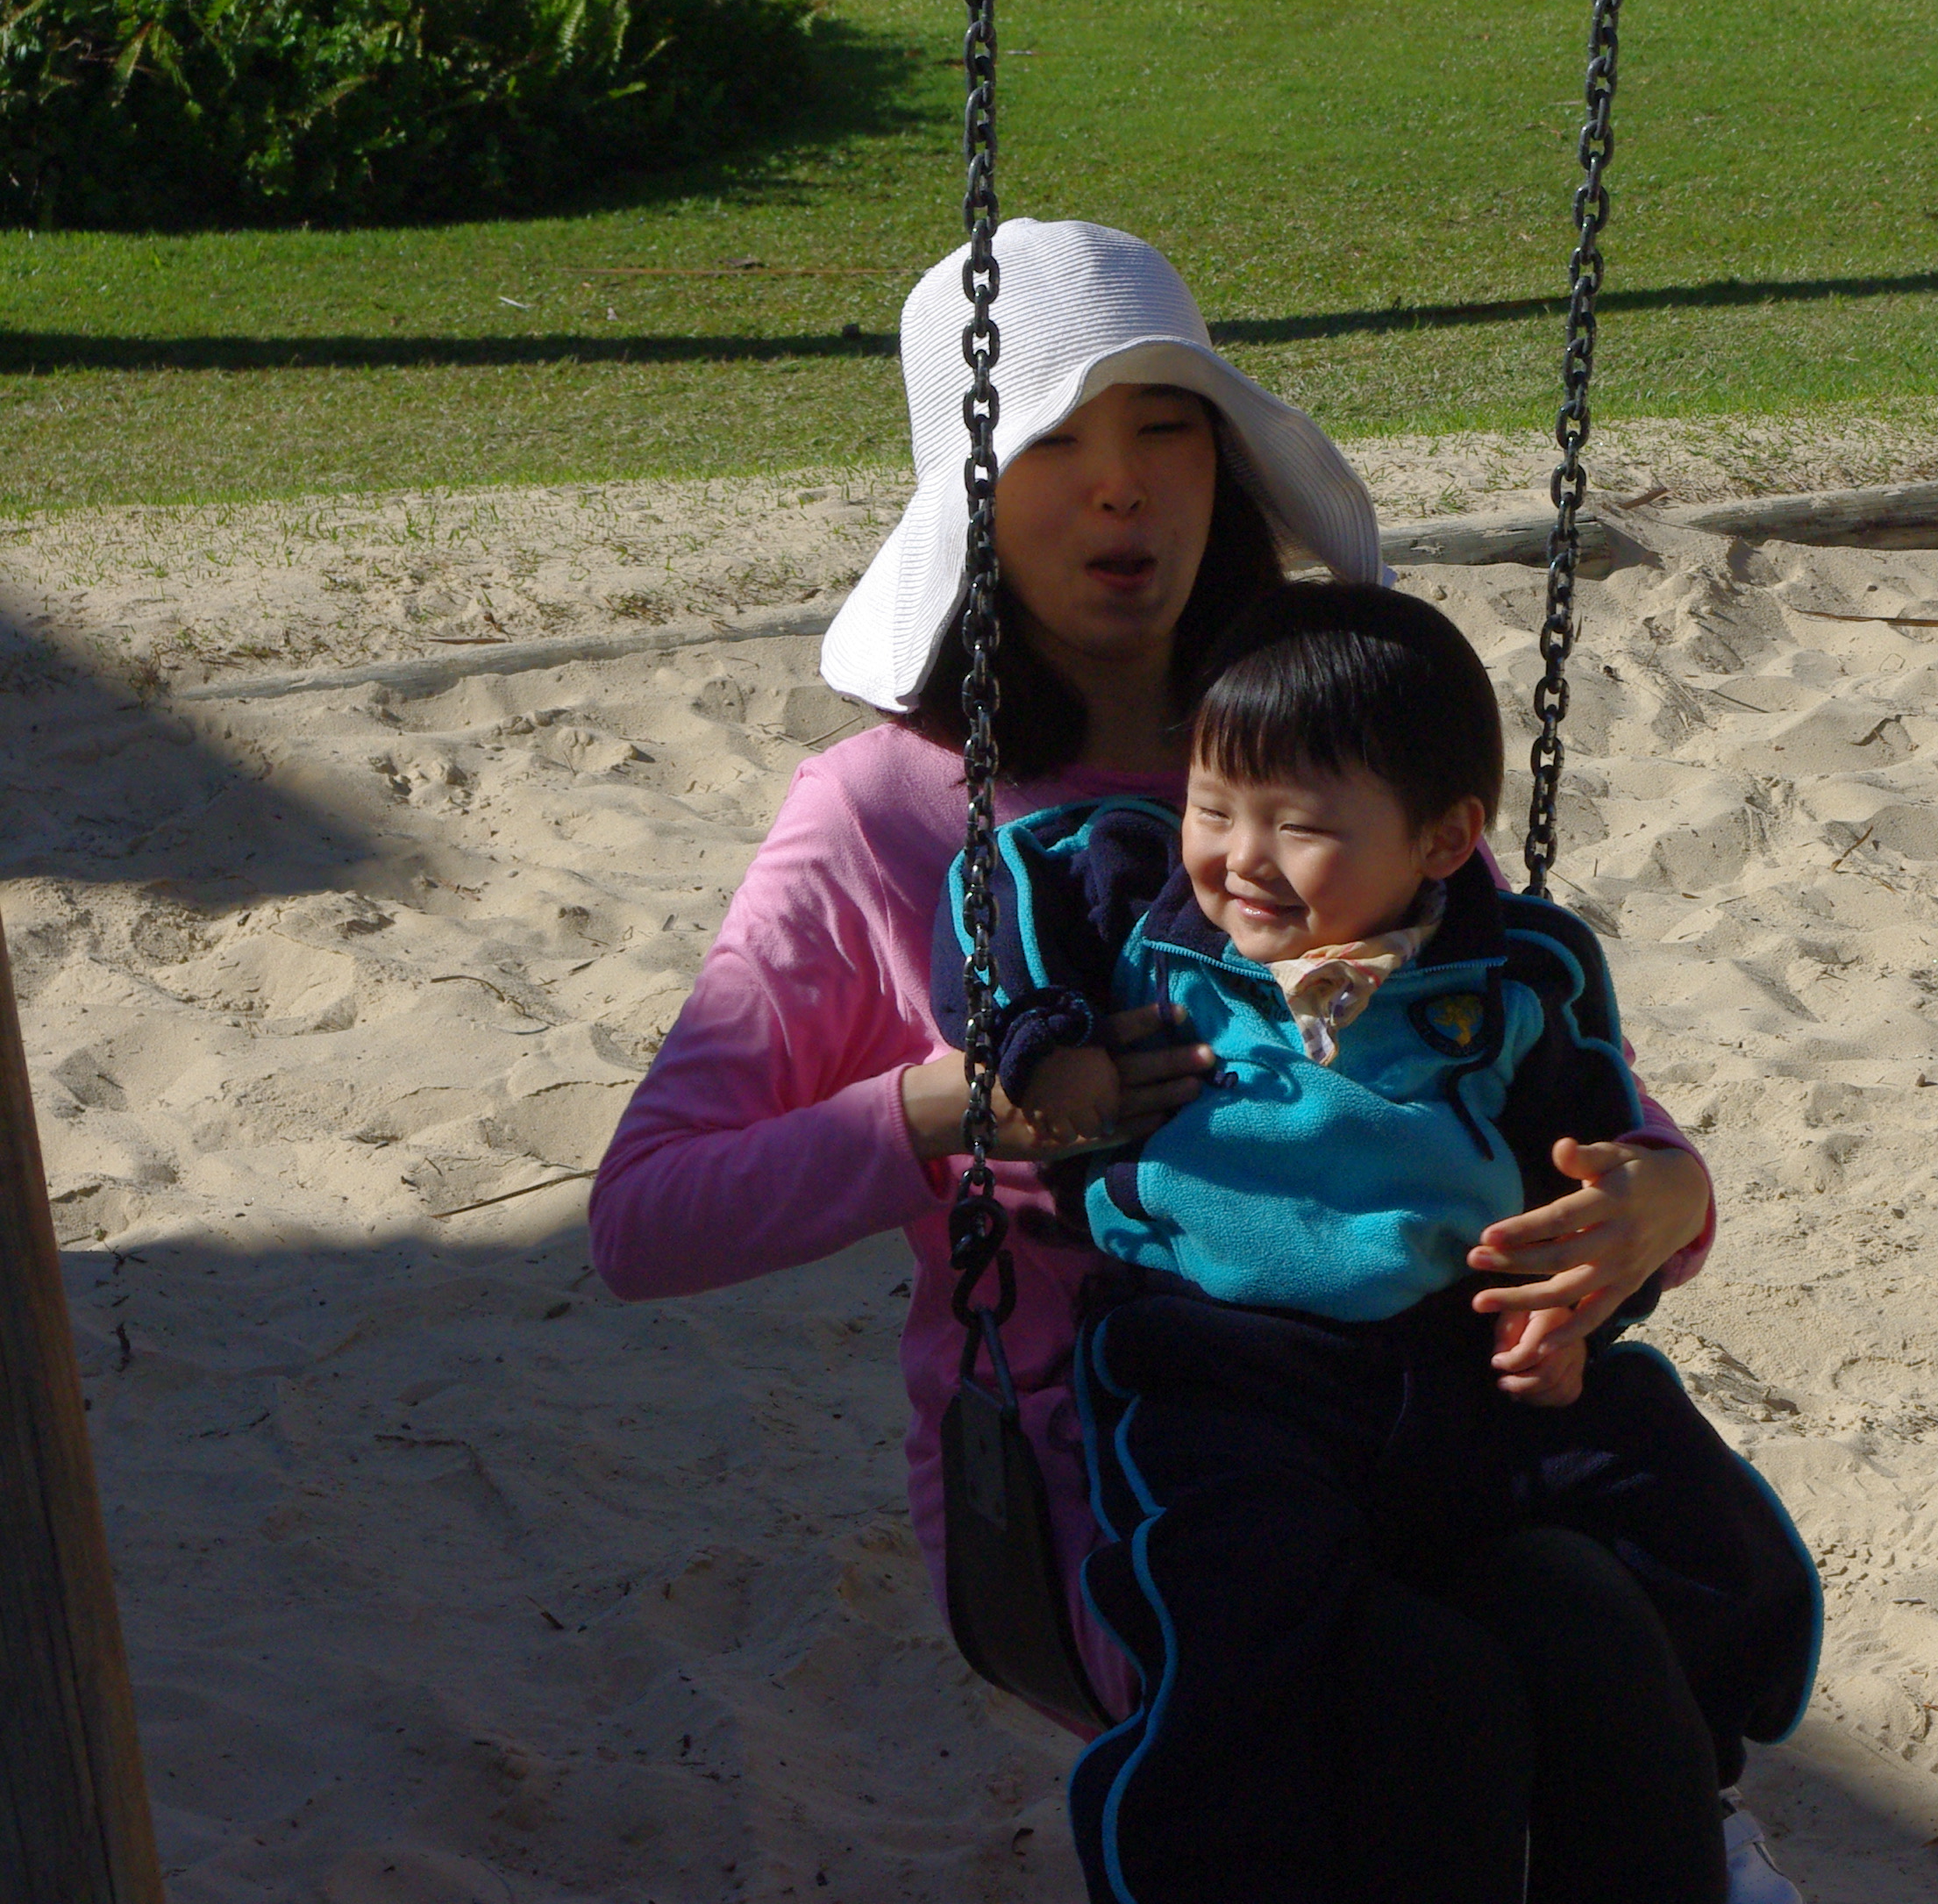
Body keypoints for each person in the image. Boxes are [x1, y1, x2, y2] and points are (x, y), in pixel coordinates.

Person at [588, 219, 1792, 1903]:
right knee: (1424, 1697)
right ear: (968, 493)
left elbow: (1556, 1084)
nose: (1121, 489)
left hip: (1434, 1411)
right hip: (1126, 1466)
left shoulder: (1339, 733)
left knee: (1599, 1630)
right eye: (1054, 445)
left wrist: (1659, 1202)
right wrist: (950, 1111)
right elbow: (644, 1219)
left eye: (1166, 429)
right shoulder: (885, 817)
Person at [935, 582, 1820, 1904]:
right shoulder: (1137, 921)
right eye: (1213, 807)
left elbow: (1581, 1167)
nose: (1241, 858)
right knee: (1246, 1618)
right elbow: (998, 898)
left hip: (1461, 1358)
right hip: (1220, 1369)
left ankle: (1705, 1771)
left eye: (1299, 826)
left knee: (1654, 1529)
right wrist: (1040, 1041)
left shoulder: (1516, 978)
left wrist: (1580, 1300)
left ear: (1446, 838)